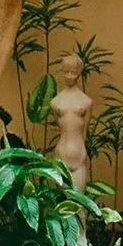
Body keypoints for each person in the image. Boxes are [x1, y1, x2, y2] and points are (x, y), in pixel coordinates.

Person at [49, 53, 92, 192]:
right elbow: (60, 127)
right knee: (63, 207)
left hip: (79, 156)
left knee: (79, 205)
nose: (69, 76)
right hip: (61, 155)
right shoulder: (55, 102)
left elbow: (84, 131)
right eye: (66, 72)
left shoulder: (86, 102)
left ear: (79, 73)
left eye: (73, 72)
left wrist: (84, 155)